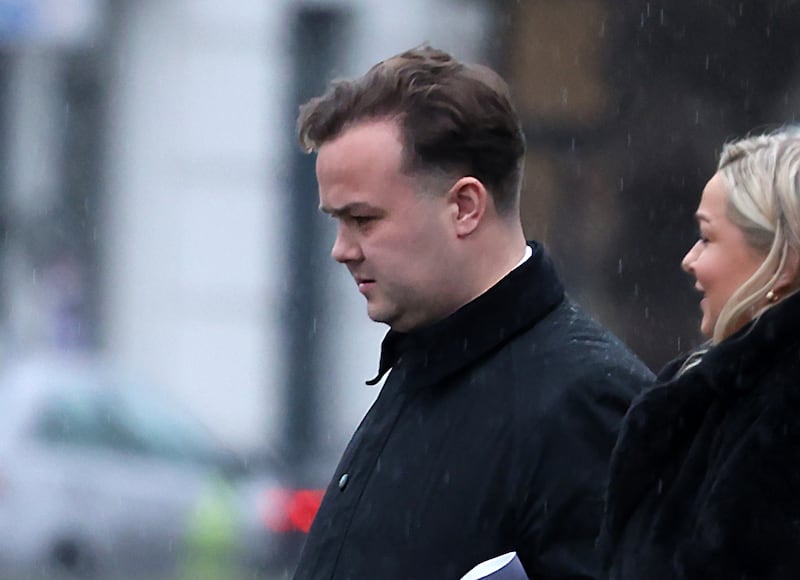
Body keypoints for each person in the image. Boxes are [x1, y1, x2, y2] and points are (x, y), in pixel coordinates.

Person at [293, 45, 652, 580]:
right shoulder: (426, 359)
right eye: (336, 221)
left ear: (464, 207)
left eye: (363, 219)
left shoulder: (585, 400)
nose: (341, 249)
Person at [601, 127, 800, 579]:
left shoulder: (777, 417)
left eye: (707, 238)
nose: (689, 260)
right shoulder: (720, 392)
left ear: (781, 263)